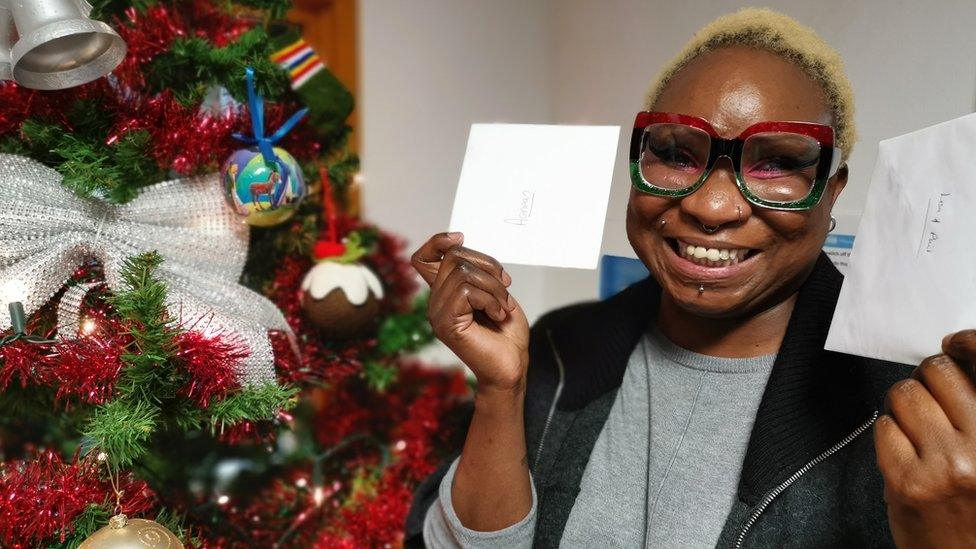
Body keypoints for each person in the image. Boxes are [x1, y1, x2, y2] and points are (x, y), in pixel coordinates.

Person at [404, 8, 976, 548]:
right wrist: (502, 394)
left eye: (776, 162)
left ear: (832, 194)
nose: (714, 205)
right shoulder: (560, 346)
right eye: (677, 153)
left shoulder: (920, 411)